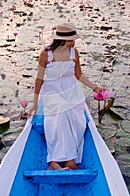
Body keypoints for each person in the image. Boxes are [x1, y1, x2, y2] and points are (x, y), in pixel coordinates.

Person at [28, 23, 104, 170]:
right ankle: (62, 160)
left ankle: (63, 159)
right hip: (52, 93)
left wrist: (95, 88)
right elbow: (39, 79)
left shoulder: (74, 53)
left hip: (71, 92)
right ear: (61, 40)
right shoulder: (46, 54)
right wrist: (35, 103)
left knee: (78, 121)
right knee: (60, 115)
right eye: (70, 40)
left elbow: (78, 75)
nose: (73, 42)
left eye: (73, 40)